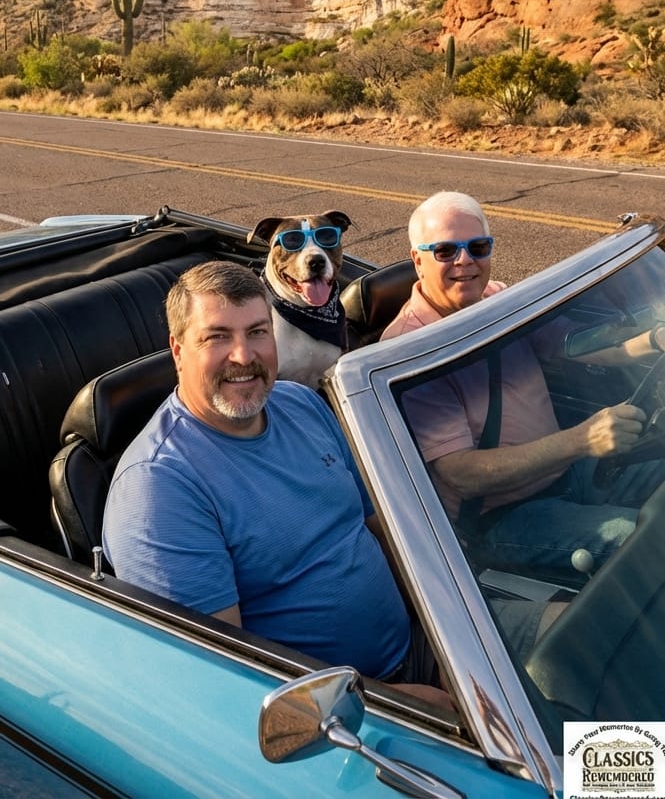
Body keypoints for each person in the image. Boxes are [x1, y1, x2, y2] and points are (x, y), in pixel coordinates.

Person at [103, 260, 453, 702]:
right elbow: (224, 677)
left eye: (257, 332)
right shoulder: (158, 487)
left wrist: (451, 632)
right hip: (342, 712)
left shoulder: (301, 403)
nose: (243, 356)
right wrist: (411, 702)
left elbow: (379, 529)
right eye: (217, 337)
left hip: (427, 642)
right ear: (178, 350)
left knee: (563, 649)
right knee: (555, 748)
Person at [383, 190, 665, 573]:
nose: (465, 261)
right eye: (446, 251)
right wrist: (582, 439)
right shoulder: (409, 349)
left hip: (569, 469)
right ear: (418, 260)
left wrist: (653, 340)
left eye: (477, 247)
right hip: (504, 514)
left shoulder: (496, 299)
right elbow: (460, 474)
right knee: (649, 543)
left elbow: (574, 346)